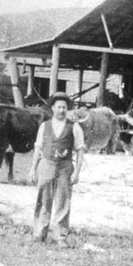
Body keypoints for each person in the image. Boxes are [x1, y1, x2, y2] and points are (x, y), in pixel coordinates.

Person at [29, 92, 86, 245]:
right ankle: (39, 233)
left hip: (65, 167)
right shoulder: (44, 126)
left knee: (63, 202)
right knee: (43, 200)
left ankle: (60, 237)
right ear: (53, 108)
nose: (61, 110)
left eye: (64, 108)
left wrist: (77, 172)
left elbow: (80, 151)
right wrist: (33, 169)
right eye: (59, 107)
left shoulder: (74, 127)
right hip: (46, 164)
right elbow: (38, 148)